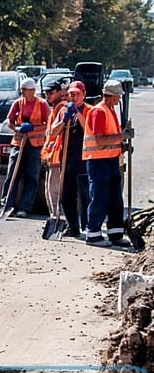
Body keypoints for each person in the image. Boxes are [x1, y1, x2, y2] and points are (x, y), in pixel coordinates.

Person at [83, 79, 127, 247]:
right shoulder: (99, 112)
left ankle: (115, 233)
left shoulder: (109, 110)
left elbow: (110, 138)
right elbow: (100, 140)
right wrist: (121, 136)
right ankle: (93, 234)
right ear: (111, 96)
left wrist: (121, 144)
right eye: (117, 96)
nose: (119, 100)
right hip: (98, 161)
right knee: (100, 198)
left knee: (115, 199)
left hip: (111, 160)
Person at [3, 78, 51, 217]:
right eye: (22, 89)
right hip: (19, 143)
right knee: (12, 173)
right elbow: (10, 121)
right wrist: (17, 129)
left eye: (25, 89)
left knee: (32, 176)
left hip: (35, 145)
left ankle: (25, 207)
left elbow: (48, 123)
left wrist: (33, 128)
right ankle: (7, 203)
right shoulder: (17, 104)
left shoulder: (42, 104)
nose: (22, 92)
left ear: (32, 90)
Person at [58, 81, 91, 238]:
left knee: (85, 194)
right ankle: (73, 226)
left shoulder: (90, 110)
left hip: (84, 158)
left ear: (84, 94)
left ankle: (88, 225)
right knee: (66, 195)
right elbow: (53, 132)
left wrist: (77, 112)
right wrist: (63, 121)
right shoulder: (64, 110)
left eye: (77, 94)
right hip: (66, 158)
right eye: (71, 94)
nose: (74, 96)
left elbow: (89, 129)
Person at [40, 79, 68, 216]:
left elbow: (55, 132)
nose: (48, 95)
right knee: (49, 190)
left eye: (51, 92)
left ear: (60, 93)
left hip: (58, 157)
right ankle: (55, 216)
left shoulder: (62, 108)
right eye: (46, 93)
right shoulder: (54, 109)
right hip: (52, 157)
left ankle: (59, 218)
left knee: (55, 191)